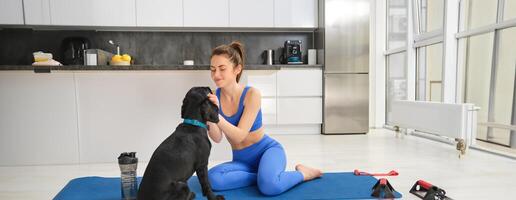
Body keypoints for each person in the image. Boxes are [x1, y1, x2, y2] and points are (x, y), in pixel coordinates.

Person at [206, 41, 322, 196]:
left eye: (222, 69)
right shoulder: (214, 95)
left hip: (267, 152)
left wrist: (217, 116)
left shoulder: (252, 94)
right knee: (212, 179)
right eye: (212, 69)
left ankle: (304, 173)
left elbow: (240, 135)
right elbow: (217, 138)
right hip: (241, 162)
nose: (216, 75)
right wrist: (208, 115)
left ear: (237, 69)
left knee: (269, 187)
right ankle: (263, 176)